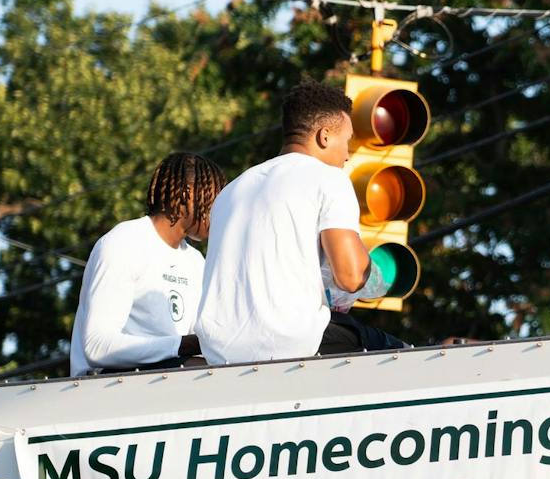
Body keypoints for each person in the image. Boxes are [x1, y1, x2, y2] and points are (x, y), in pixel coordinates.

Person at [196, 80, 407, 365]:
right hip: (291, 342)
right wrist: (373, 273)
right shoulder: (329, 179)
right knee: (401, 354)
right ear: (324, 136)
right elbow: (351, 276)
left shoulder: (231, 190)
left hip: (218, 351)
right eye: (347, 141)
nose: (347, 155)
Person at [69, 152, 226, 376]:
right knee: (205, 373)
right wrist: (181, 345)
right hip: (105, 384)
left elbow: (199, 341)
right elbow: (97, 346)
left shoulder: (194, 262)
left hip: (165, 378)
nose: (219, 212)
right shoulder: (123, 242)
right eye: (214, 200)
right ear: (186, 195)